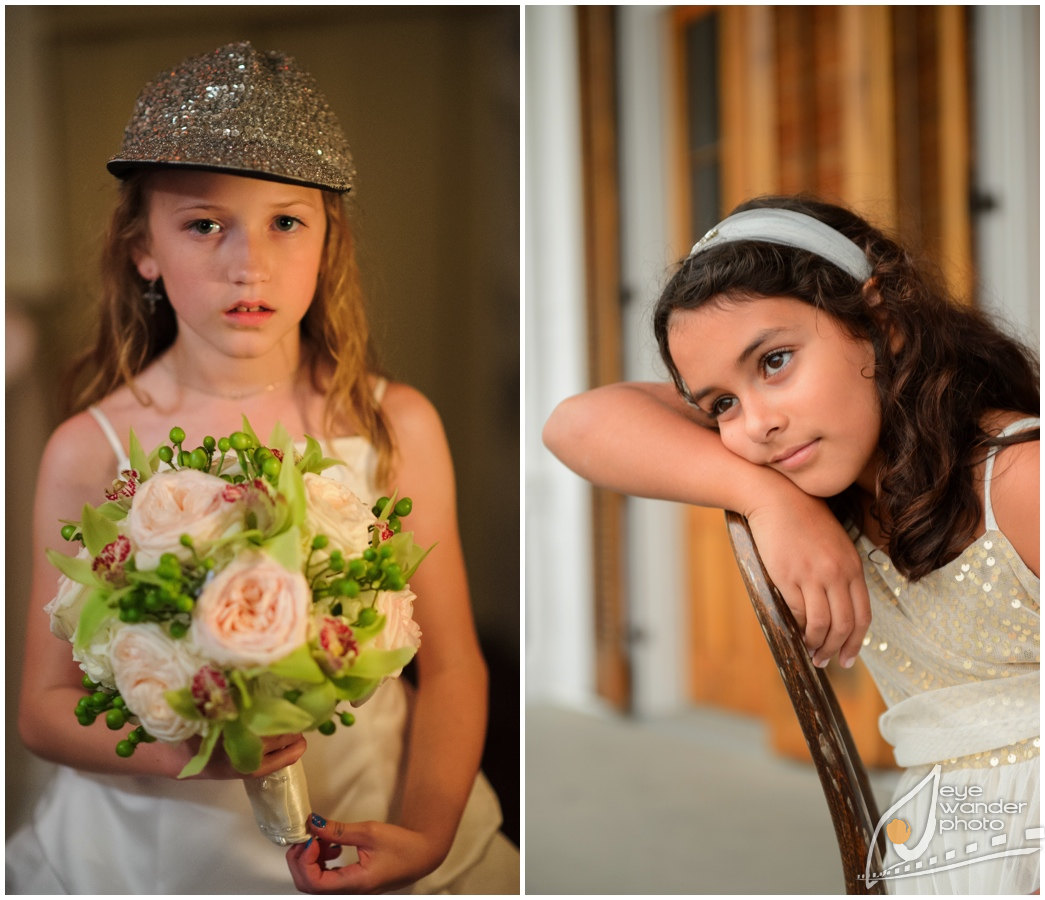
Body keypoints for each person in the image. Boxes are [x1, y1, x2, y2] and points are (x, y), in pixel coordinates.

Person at [8, 41, 517, 894]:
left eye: (286, 221)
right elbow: (42, 710)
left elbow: (455, 665)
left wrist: (426, 835)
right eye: (204, 223)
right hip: (158, 848)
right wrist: (190, 750)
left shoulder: (394, 426)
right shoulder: (88, 448)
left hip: (368, 807)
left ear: (327, 240)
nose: (250, 263)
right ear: (143, 248)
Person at [543, 195, 1039, 894]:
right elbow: (575, 424)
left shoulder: (1018, 478)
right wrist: (763, 497)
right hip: (944, 839)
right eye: (720, 405)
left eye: (774, 361)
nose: (756, 426)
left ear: (882, 322)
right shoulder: (819, 490)